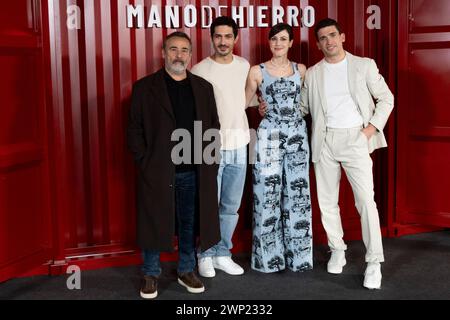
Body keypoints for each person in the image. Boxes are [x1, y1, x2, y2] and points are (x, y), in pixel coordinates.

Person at [300, 18, 394, 289]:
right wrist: (270, 106)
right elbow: (303, 108)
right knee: (327, 201)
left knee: (365, 201)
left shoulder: (363, 65)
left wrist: (370, 130)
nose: (328, 41)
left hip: (355, 137)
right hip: (325, 139)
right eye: (322, 38)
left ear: (342, 36)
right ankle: (337, 249)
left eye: (332, 35)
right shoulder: (314, 73)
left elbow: (387, 98)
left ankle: (374, 262)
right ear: (318, 44)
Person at [127, 32, 221, 299]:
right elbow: (134, 129)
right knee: (154, 221)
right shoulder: (145, 88)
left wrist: (210, 163)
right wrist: (144, 161)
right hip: (157, 170)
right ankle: (150, 272)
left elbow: (213, 127)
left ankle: (186, 269)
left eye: (184, 50)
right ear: (163, 53)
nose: (179, 55)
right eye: (173, 49)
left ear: (190, 54)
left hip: (193, 171)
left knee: (190, 223)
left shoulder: (203, 88)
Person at [245, 23, 313, 273]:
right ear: (269, 42)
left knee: (298, 196)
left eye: (283, 39)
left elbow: (307, 101)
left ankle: (300, 258)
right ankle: (266, 260)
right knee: (267, 194)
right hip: (269, 134)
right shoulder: (257, 71)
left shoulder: (301, 70)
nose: (278, 43)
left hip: (297, 132)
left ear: (291, 42)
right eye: (274, 39)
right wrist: (259, 105)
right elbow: (244, 100)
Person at [191, 16, 250, 277]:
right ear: (211, 38)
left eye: (228, 36)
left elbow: (243, 99)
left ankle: (223, 253)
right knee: (208, 204)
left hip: (240, 144)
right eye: (218, 36)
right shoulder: (199, 70)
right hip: (210, 146)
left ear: (236, 38)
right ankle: (205, 254)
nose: (223, 41)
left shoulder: (244, 65)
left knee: (230, 206)